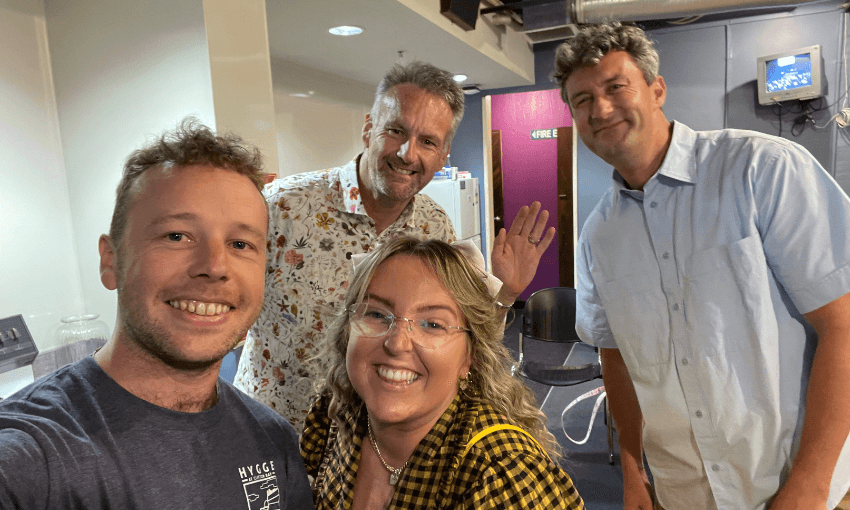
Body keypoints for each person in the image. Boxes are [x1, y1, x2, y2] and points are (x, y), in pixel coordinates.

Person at [554, 22, 850, 510]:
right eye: (581, 100)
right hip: (685, 493)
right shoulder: (597, 238)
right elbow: (617, 358)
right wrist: (632, 473)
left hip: (801, 485)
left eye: (615, 87)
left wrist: (810, 487)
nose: (600, 109)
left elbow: (842, 324)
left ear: (656, 89)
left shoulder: (761, 170)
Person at [0, 121, 313, 509]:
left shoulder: (273, 441)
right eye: (177, 236)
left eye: (240, 243)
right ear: (110, 260)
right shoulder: (32, 460)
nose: (215, 266)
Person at [234, 61, 556, 426]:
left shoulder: (435, 227)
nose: (407, 153)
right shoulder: (282, 207)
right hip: (277, 432)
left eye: (428, 141)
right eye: (396, 130)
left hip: (375, 442)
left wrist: (505, 291)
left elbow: (461, 340)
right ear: (369, 128)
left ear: (444, 154)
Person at [300, 236, 585, 509]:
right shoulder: (337, 410)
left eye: (433, 324)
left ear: (469, 357)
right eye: (375, 314)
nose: (397, 343)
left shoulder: (501, 473)